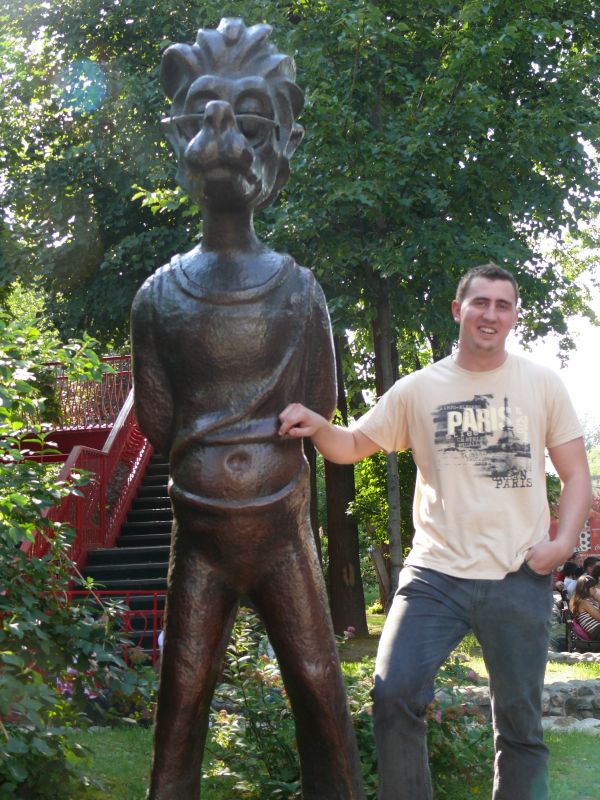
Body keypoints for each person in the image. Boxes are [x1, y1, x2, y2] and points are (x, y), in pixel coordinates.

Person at [279, 263, 592, 800]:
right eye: (480, 302)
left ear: (514, 316)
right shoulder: (418, 389)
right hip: (434, 576)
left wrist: (562, 545)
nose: (490, 314)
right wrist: (319, 425)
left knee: (520, 723)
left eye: (502, 305)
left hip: (519, 574)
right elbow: (351, 445)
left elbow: (577, 475)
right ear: (457, 310)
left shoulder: (542, 384)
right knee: (393, 694)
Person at [569, 575, 600, 640]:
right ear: (585, 589)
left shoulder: (585, 600)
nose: (595, 590)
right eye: (593, 588)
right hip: (597, 631)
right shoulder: (584, 602)